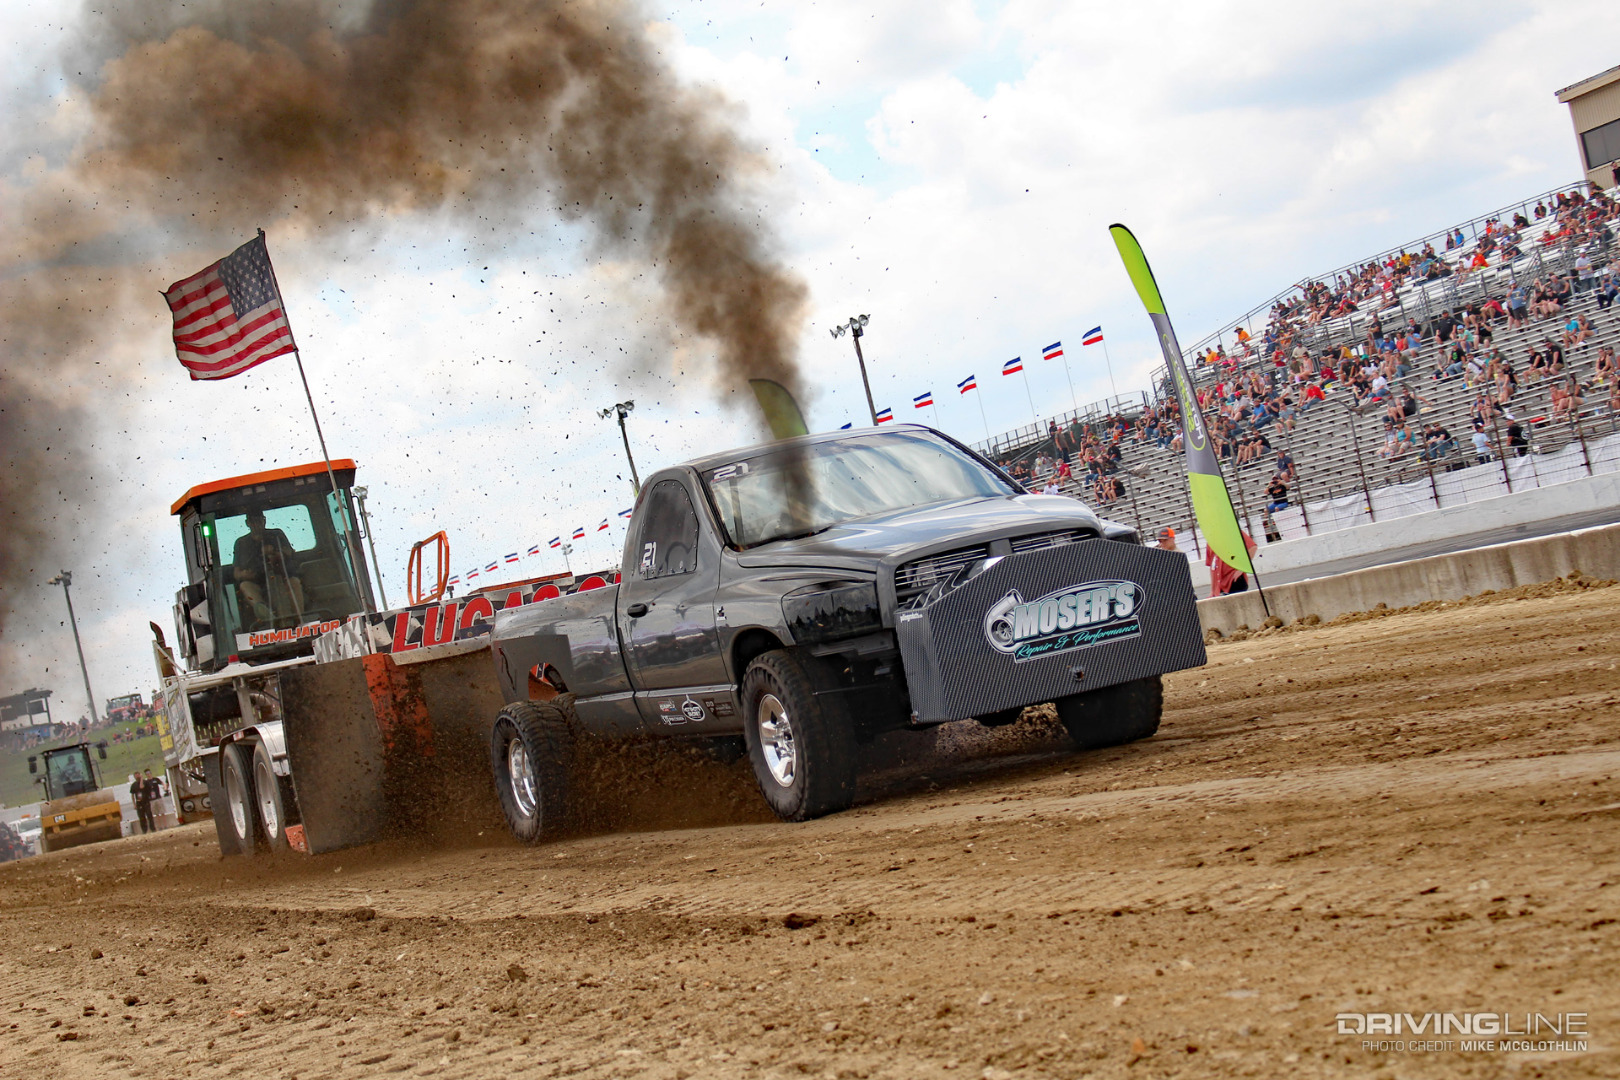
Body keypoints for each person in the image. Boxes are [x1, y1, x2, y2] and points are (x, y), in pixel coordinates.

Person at [232, 509, 304, 625]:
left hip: (282, 576)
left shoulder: (277, 535)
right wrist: (244, 574)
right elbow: (236, 573)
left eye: (260, 521)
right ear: (247, 523)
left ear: (264, 521)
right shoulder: (241, 543)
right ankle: (264, 611)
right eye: (253, 521)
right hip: (257, 583)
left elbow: (288, 552)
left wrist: (276, 553)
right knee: (245, 585)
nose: (257, 524)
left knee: (294, 582)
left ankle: (299, 620)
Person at [1205, 531, 1259, 596]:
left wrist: (1241, 569)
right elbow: (1212, 567)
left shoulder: (1234, 532)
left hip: (1234, 579)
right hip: (1220, 585)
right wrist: (1213, 590)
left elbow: (1252, 548)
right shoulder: (1211, 541)